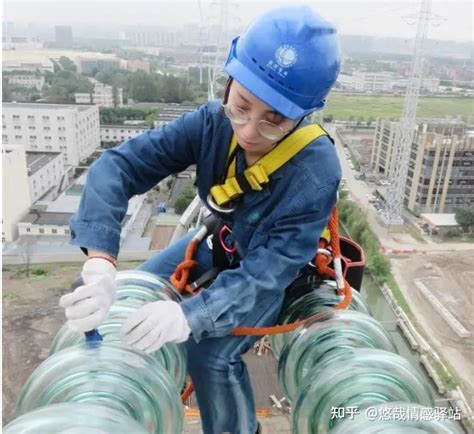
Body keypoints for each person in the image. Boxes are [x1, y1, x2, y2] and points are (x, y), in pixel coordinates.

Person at [59, 5, 341, 433]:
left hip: (268, 266)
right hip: (220, 238)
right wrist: (100, 262)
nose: (248, 131)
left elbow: (266, 273)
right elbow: (119, 168)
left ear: (303, 115)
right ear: (229, 83)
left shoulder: (314, 172)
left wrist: (191, 316)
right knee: (131, 294)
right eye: (241, 106)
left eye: (274, 121)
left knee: (209, 354)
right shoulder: (211, 124)